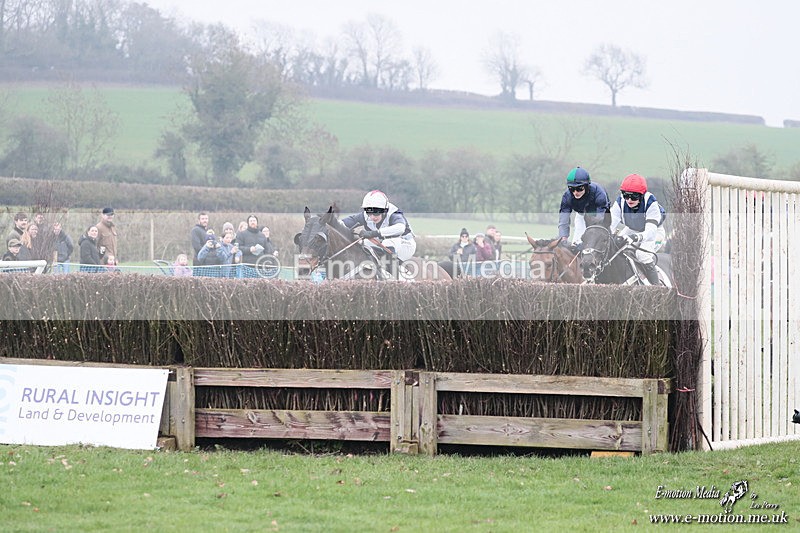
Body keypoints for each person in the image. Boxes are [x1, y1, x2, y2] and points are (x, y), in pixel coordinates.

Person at [609, 173, 667, 285]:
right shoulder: (620, 202)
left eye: (634, 196)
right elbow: (610, 223)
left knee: (642, 255)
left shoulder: (651, 203)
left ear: (641, 195)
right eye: (626, 195)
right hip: (632, 229)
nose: (629, 200)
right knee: (615, 247)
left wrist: (636, 237)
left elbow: (650, 232)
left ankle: (657, 288)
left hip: (654, 232)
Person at [341, 190, 417, 264]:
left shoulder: (394, 214)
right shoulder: (365, 216)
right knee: (361, 244)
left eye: (376, 213)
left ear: (384, 210)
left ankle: (394, 272)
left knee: (388, 243)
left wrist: (374, 233)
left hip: (405, 245)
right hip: (381, 243)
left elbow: (400, 228)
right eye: (369, 212)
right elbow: (343, 222)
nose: (372, 217)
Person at [558, 167, 611, 248]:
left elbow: (600, 218)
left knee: (596, 243)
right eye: (571, 189)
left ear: (587, 186)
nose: (575, 192)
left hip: (601, 216)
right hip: (581, 215)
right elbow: (563, 219)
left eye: (579, 188)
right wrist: (563, 237)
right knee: (576, 245)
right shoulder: (567, 196)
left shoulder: (599, 193)